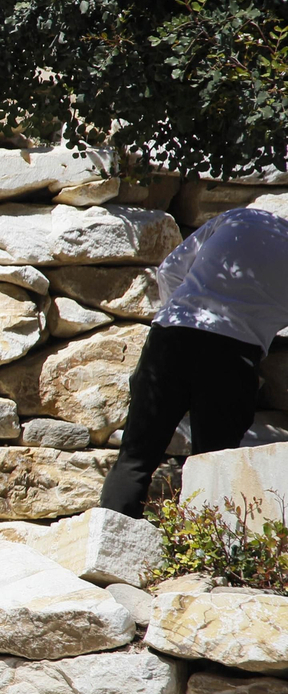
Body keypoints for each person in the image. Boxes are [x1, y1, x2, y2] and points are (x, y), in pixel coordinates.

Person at [99, 206, 288, 516]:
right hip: (234, 354)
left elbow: (170, 270)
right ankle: (203, 557)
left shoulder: (241, 218)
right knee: (213, 465)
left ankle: (105, 550)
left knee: (136, 458)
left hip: (173, 336)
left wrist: (180, 316)